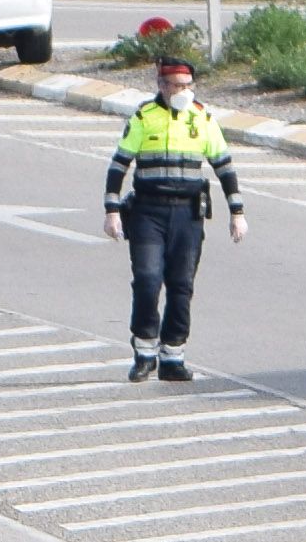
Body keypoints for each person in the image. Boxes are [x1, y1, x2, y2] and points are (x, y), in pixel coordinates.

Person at [103, 34, 243, 381]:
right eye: (175, 84)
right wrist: (111, 211)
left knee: (181, 285)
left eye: (187, 84)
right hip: (149, 211)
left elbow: (223, 165)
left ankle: (173, 355)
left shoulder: (202, 118)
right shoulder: (143, 117)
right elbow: (118, 165)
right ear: (161, 84)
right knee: (149, 280)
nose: (183, 90)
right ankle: (145, 350)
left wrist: (237, 212)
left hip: (187, 213)